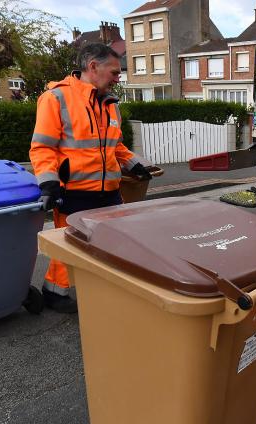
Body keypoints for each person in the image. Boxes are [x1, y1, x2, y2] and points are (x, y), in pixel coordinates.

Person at [30, 43, 154, 313]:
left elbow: (116, 146)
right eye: (114, 71)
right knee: (71, 245)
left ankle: (99, 288)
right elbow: (42, 147)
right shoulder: (57, 98)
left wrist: (136, 165)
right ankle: (54, 292)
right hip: (74, 190)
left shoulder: (111, 105)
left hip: (109, 190)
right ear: (92, 67)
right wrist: (48, 184)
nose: (117, 77)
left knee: (109, 243)